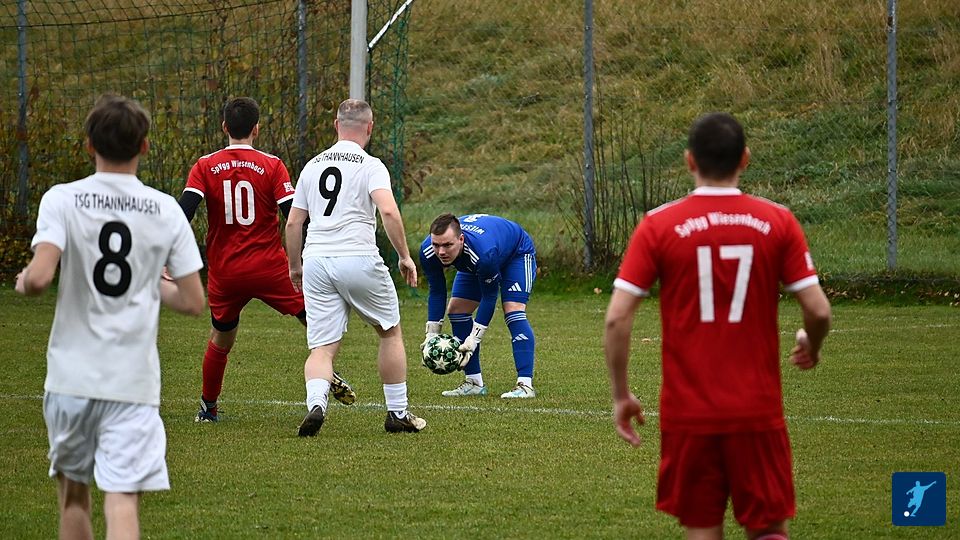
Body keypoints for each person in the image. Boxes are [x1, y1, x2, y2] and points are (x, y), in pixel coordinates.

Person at [603, 112, 832, 540]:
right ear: (745, 158)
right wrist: (811, 344)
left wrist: (621, 394)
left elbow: (617, 317)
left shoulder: (659, 225)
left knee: (702, 529)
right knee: (769, 528)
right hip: (756, 410)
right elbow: (818, 311)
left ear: (689, 161)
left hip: (689, 415)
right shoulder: (777, 221)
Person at [14, 94, 205, 539]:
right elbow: (193, 301)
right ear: (144, 146)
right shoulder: (165, 209)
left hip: (70, 379)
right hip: (132, 383)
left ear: (88, 145)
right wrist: (149, 282)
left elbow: (39, 278)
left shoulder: (62, 198)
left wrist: (24, 281)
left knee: (73, 498)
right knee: (121, 499)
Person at [179, 97, 355, 423]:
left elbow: (183, 213)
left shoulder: (204, 165)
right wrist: (309, 256)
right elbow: (294, 215)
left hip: (225, 272)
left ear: (224, 127)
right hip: (271, 268)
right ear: (257, 129)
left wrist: (168, 255)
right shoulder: (272, 165)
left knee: (221, 339)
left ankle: (208, 408)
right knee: (317, 319)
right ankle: (324, 370)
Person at [285, 98, 424, 435]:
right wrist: (404, 256)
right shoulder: (371, 165)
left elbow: (293, 223)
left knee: (322, 348)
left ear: (336, 125)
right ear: (370, 128)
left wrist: (295, 266)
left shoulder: (312, 166)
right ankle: (397, 413)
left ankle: (317, 403)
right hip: (357, 257)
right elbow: (388, 211)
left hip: (316, 260)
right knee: (389, 331)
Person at [420, 213, 538, 398]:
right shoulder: (427, 251)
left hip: (515, 253)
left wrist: (473, 339)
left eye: (447, 245)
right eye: (436, 245)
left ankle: (525, 385)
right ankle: (474, 382)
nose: (441, 252)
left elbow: (489, 297)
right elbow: (437, 290)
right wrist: (431, 334)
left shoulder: (484, 254)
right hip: (477, 258)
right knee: (457, 310)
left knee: (513, 310)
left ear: (461, 239)